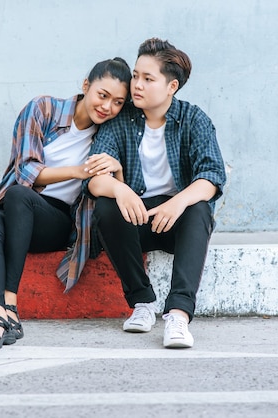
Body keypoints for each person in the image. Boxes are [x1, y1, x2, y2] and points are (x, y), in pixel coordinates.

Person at [0, 57, 132, 350]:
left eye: (118, 102)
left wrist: (117, 171)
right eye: (103, 95)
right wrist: (77, 171)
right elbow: (27, 171)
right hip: (19, 208)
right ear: (86, 86)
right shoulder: (42, 108)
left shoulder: (108, 133)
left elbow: (116, 182)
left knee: (18, 197)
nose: (107, 107)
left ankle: (9, 304)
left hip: (57, 220)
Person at [83, 38, 226, 348]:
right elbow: (94, 180)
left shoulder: (193, 119)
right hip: (136, 222)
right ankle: (143, 302)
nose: (137, 85)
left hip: (177, 224)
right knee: (107, 206)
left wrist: (178, 203)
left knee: (199, 208)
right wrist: (120, 189)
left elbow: (212, 177)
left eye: (148, 79)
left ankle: (178, 314)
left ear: (171, 86)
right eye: (136, 75)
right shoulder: (120, 120)